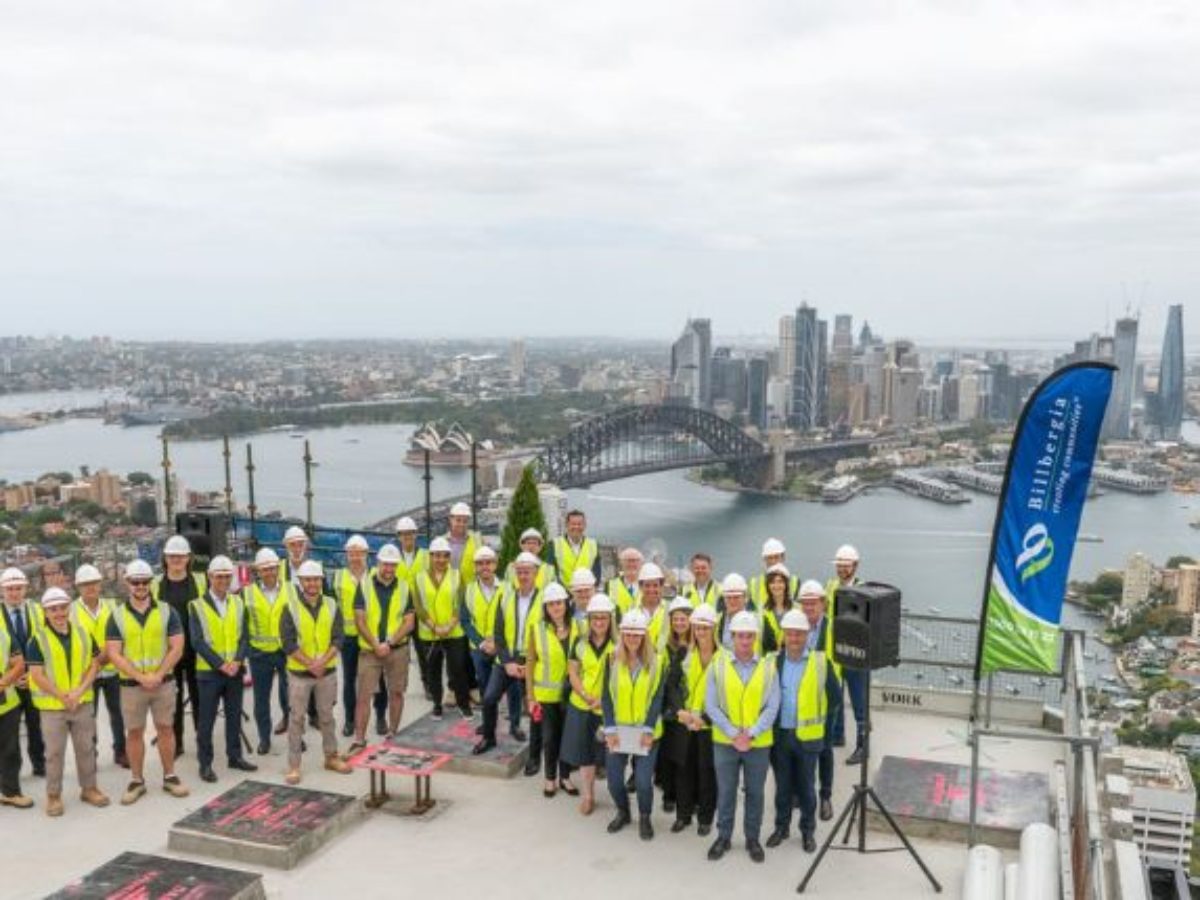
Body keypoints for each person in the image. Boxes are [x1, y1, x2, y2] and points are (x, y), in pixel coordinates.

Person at [107, 559, 189, 805]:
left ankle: (170, 776)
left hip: (162, 683)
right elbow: (113, 653)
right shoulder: (118, 616)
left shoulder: (166, 611)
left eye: (144, 582)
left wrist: (158, 674)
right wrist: (141, 677)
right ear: (128, 583)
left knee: (166, 729)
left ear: (150, 583)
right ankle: (136, 780)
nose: (140, 586)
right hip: (132, 686)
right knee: (134, 732)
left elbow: (177, 646)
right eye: (135, 582)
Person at [704, 610, 781, 863]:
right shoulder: (718, 664)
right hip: (726, 742)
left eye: (750, 636)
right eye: (741, 636)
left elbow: (773, 705)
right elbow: (711, 705)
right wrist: (734, 733)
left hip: (758, 743)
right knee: (725, 791)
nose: (745, 641)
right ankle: (723, 837)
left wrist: (752, 733)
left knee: (755, 793)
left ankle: (752, 838)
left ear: (756, 637)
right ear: (732, 636)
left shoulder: (769, 666)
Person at [26, 587, 110, 816]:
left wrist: (79, 691)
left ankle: (89, 789)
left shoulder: (83, 633)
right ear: (46, 612)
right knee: (54, 753)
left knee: (86, 748)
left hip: (81, 702)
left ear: (68, 608)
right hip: (53, 708)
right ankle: (53, 796)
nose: (59, 613)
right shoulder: (37, 640)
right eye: (53, 609)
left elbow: (94, 665)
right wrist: (63, 696)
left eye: (62, 608)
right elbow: (37, 674)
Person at [279, 561, 351, 785]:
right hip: (300, 674)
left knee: (327, 717)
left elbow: (339, 637)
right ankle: (294, 766)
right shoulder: (289, 608)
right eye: (308, 579)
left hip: (326, 672)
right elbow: (288, 643)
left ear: (321, 581)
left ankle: (331, 757)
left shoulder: (331, 605)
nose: (312, 583)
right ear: (301, 582)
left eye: (316, 579)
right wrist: (311, 664)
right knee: (297, 719)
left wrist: (323, 661)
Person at [766, 609, 832, 854]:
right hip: (780, 735)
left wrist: (819, 725)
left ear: (806, 636)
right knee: (782, 787)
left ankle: (807, 832)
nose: (794, 638)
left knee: (806, 788)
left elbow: (834, 697)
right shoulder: (772, 661)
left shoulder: (820, 662)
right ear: (783, 635)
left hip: (808, 739)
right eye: (790, 633)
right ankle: (781, 828)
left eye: (799, 634)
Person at [189, 555, 257, 783]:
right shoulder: (196, 606)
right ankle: (205, 764)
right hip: (209, 674)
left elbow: (244, 636)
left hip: (234, 671)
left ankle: (234, 756)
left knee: (233, 716)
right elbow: (197, 641)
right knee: (206, 721)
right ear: (210, 577)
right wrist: (220, 664)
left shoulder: (238, 603)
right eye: (219, 576)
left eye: (227, 576)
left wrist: (237, 661)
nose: (223, 581)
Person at [602, 608, 665, 841]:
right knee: (614, 779)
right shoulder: (611, 659)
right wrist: (609, 730)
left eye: (637, 634)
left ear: (645, 636)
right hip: (619, 731)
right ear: (622, 634)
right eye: (628, 634)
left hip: (646, 733)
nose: (632, 639)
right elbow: (606, 697)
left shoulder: (657, 662)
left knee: (642, 782)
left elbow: (657, 698)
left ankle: (645, 817)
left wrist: (648, 730)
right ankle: (623, 811)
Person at [473, 552, 542, 762]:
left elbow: (545, 636)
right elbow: (499, 634)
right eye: (519, 571)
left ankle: (534, 752)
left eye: (527, 571)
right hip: (506, 660)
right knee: (489, 698)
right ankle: (489, 737)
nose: (523, 576)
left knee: (534, 708)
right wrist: (507, 662)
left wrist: (528, 664)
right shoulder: (507, 597)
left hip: (531, 662)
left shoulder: (544, 600)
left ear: (536, 573)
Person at [350, 543, 415, 751]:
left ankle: (393, 734)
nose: (389, 570)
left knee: (396, 692)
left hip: (397, 649)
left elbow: (409, 622)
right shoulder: (365, 585)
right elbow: (360, 620)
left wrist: (389, 643)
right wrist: (376, 644)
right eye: (385, 565)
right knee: (363, 695)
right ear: (377, 563)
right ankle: (359, 740)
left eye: (393, 565)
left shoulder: (404, 587)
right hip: (370, 650)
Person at [665, 603, 719, 836]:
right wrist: (679, 711)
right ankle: (683, 815)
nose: (700, 632)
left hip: (709, 725)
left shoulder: (724, 658)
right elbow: (672, 684)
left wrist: (704, 718)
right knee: (683, 769)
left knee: (707, 771)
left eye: (705, 628)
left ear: (714, 628)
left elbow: (727, 697)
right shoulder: (684, 653)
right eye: (697, 628)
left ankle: (705, 818)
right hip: (685, 722)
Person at [151, 535, 205, 758]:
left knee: (199, 697)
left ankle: (203, 741)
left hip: (196, 650)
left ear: (188, 558)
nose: (176, 560)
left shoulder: (201, 581)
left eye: (180, 556)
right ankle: (177, 743)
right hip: (169, 652)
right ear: (165, 558)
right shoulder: (155, 584)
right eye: (172, 556)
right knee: (172, 700)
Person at [561, 594, 614, 816]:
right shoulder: (580, 642)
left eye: (603, 618)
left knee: (609, 754)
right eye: (595, 618)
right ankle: (588, 795)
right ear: (589, 619)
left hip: (608, 709)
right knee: (585, 754)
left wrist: (603, 700)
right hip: (582, 706)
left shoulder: (618, 645)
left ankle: (617, 796)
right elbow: (572, 672)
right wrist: (584, 695)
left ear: (610, 619)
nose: (599, 622)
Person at [462, 546, 522, 741]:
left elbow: (513, 618)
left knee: (513, 688)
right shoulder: (469, 590)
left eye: (488, 562)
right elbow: (465, 621)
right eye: (480, 563)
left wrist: (498, 643)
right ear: (475, 567)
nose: (485, 566)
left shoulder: (508, 588)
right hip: (480, 650)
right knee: (485, 688)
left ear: (495, 565)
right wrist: (481, 643)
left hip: (503, 648)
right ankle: (489, 724)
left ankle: (515, 724)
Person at [72, 564, 127, 769]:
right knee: (88, 718)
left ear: (100, 584)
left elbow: (122, 635)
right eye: (85, 585)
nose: (90, 588)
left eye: (94, 583)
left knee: (118, 713)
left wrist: (108, 656)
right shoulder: (71, 611)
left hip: (113, 671)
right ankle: (90, 755)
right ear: (78, 587)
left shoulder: (112, 607)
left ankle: (121, 751)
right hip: (87, 674)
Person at [524, 582, 575, 798]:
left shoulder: (578, 627)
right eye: (551, 604)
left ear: (566, 604)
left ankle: (565, 777)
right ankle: (550, 778)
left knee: (567, 738)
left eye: (559, 603)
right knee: (549, 738)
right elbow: (530, 663)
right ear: (546, 607)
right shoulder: (537, 630)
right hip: (545, 696)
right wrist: (530, 696)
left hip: (572, 695)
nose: (556, 607)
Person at [414, 537, 472, 720]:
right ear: (430, 556)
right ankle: (437, 705)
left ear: (449, 557)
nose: (440, 560)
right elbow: (418, 606)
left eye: (444, 556)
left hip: (453, 632)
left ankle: (464, 704)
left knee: (458, 670)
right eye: (437, 556)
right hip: (430, 633)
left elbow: (460, 603)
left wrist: (449, 625)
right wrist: (434, 626)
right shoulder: (419, 578)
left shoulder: (456, 575)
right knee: (433, 671)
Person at [334, 535, 386, 738]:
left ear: (366, 554)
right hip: (348, 638)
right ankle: (349, 720)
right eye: (351, 553)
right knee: (349, 680)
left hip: (371, 637)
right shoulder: (338, 577)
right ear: (347, 554)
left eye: (359, 553)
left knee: (378, 680)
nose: (355, 557)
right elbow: (332, 608)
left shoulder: (375, 575)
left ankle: (381, 717)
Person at [799, 579, 841, 823]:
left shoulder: (834, 628)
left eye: (813, 603)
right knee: (801, 747)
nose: (809, 608)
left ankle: (825, 796)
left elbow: (839, 663)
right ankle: (800, 793)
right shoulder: (796, 626)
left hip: (827, 698)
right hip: (803, 699)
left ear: (823, 604)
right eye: (805, 604)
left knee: (825, 749)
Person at [244, 549, 293, 755]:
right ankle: (264, 739)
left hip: (286, 652)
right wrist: (247, 651)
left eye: (273, 568)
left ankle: (295, 735)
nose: (270, 572)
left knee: (292, 696)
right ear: (258, 571)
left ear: (278, 568)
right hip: (260, 654)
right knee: (261, 699)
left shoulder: (291, 590)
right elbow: (242, 625)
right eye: (265, 569)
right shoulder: (247, 593)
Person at [2, 567, 44, 777]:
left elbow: (45, 643)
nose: (14, 593)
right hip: (7, 683)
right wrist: (13, 676)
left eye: (18, 588)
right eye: (9, 589)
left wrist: (32, 675)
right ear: (2, 590)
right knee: (9, 732)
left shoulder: (37, 611)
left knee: (36, 724)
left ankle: (39, 764)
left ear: (25, 589)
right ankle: (12, 772)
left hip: (34, 678)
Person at [827, 545, 866, 765]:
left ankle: (863, 746)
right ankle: (838, 735)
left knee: (859, 701)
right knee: (836, 695)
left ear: (855, 566)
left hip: (856, 655)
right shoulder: (831, 586)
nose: (841, 569)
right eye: (839, 565)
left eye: (845, 565)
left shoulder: (864, 590)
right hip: (836, 651)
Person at [657, 596, 693, 816]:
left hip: (688, 707)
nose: (679, 623)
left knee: (684, 756)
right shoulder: (664, 645)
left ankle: (683, 797)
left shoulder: (696, 644)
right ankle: (668, 795)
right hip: (669, 706)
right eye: (676, 619)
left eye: (683, 619)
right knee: (667, 755)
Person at [395, 517, 434, 703]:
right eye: (404, 534)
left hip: (419, 610)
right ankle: (398, 686)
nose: (407, 537)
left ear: (415, 535)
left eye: (410, 534)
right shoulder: (393, 557)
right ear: (399, 537)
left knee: (423, 650)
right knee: (399, 651)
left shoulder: (425, 555)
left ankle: (428, 684)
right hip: (400, 612)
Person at [0, 602, 32, 810]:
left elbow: (19, 663)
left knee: (10, 750)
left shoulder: (3, 636)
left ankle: (10, 792)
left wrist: (3, 682)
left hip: (7, 703)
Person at [715, 574, 776, 656]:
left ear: (745, 598)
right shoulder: (716, 622)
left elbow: (772, 651)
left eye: (736, 597)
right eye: (728, 597)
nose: (732, 601)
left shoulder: (760, 621)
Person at [549, 510, 601, 589]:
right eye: (573, 524)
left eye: (579, 524)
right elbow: (551, 572)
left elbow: (596, 574)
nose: (576, 527)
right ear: (567, 525)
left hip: (585, 594)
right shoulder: (554, 544)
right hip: (562, 595)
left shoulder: (593, 545)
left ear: (584, 525)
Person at [748, 539, 798, 610]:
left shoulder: (795, 582)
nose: (773, 561)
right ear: (764, 560)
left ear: (783, 558)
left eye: (776, 557)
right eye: (770, 558)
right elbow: (750, 610)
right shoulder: (755, 584)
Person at [443, 502, 482, 585]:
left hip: (471, 590)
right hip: (449, 590)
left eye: (465, 521)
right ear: (451, 519)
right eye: (458, 520)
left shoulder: (477, 540)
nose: (461, 524)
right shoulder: (442, 542)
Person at [635, 563, 669, 653]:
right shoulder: (632, 611)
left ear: (661, 587)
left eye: (655, 585)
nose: (651, 590)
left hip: (663, 665)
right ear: (640, 587)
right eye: (647, 585)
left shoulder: (669, 610)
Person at [761, 563, 794, 651]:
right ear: (767, 586)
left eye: (780, 581)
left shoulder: (797, 609)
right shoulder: (762, 612)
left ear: (786, 584)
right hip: (769, 662)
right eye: (772, 582)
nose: (776, 586)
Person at [606, 547, 642, 615]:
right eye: (628, 560)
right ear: (621, 563)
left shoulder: (649, 586)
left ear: (640, 563)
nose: (631, 564)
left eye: (634, 560)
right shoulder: (609, 585)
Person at [567, 569, 596, 633]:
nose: (583, 594)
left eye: (587, 590)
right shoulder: (564, 613)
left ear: (594, 590)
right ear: (572, 592)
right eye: (579, 591)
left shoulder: (606, 611)